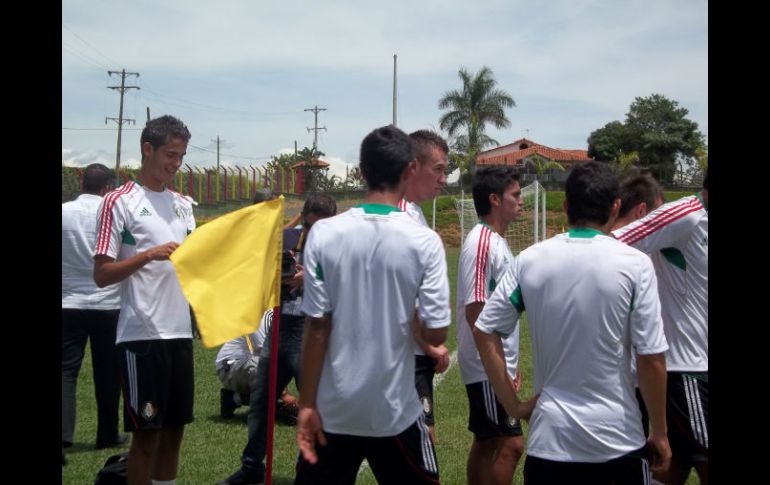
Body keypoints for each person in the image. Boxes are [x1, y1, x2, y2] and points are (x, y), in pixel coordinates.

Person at [474, 162, 671, 484]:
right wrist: (660, 433)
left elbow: (485, 331)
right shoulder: (635, 265)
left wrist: (514, 405)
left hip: (551, 444)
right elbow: (651, 358)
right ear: (616, 206)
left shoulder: (531, 260)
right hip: (617, 440)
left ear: (566, 206)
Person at [294, 125, 451, 484]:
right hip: (394, 411)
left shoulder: (324, 233)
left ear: (362, 171)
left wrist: (306, 404)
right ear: (410, 170)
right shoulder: (425, 241)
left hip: (334, 411)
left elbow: (317, 326)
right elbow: (436, 329)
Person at [94, 115, 195, 485]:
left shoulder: (184, 205)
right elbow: (102, 274)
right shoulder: (118, 202)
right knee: (147, 437)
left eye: (181, 156)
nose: (175, 164)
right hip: (141, 335)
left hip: (179, 333)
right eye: (170, 154)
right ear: (147, 149)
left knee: (173, 435)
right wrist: (146, 256)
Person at [218, 193, 337, 485]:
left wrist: (307, 277)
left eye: (321, 227)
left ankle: (307, 471)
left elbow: (345, 280)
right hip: (280, 326)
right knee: (261, 402)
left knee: (314, 405)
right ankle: (251, 467)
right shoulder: (288, 239)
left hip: (312, 329)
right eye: (309, 226)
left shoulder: (340, 245)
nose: (313, 233)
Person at [612, 170, 708, 485]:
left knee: (671, 468)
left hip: (694, 367)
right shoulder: (686, 214)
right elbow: (610, 242)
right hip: (686, 370)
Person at [456, 166, 525, 485]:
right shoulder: (481, 241)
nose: (520, 201)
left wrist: (510, 366)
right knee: (509, 444)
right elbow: (476, 310)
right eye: (516, 195)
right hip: (486, 366)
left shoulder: (495, 241)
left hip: (496, 364)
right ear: (495, 199)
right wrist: (499, 369)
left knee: (487, 442)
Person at [62, 163, 128, 453]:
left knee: (65, 372)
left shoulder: (64, 212)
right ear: (106, 188)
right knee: (108, 371)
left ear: (82, 183)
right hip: (108, 302)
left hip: (68, 302)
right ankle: (107, 432)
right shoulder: (113, 213)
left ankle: (64, 436)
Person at [399, 129, 450, 444]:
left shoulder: (413, 214)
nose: (443, 179)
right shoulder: (403, 218)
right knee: (420, 441)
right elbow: (403, 297)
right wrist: (430, 346)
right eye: (439, 169)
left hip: (412, 351)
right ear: (413, 167)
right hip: (408, 355)